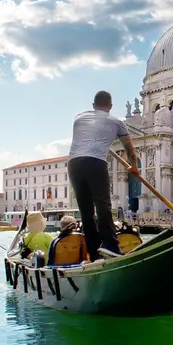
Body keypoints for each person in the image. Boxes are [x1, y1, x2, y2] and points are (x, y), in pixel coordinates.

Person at [68, 90, 139, 261]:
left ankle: (93, 253)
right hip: (95, 162)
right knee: (102, 205)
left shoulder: (78, 117)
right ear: (111, 106)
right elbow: (129, 149)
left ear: (93, 106)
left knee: (86, 211)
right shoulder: (117, 122)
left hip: (74, 163)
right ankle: (111, 246)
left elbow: (88, 137)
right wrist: (134, 167)